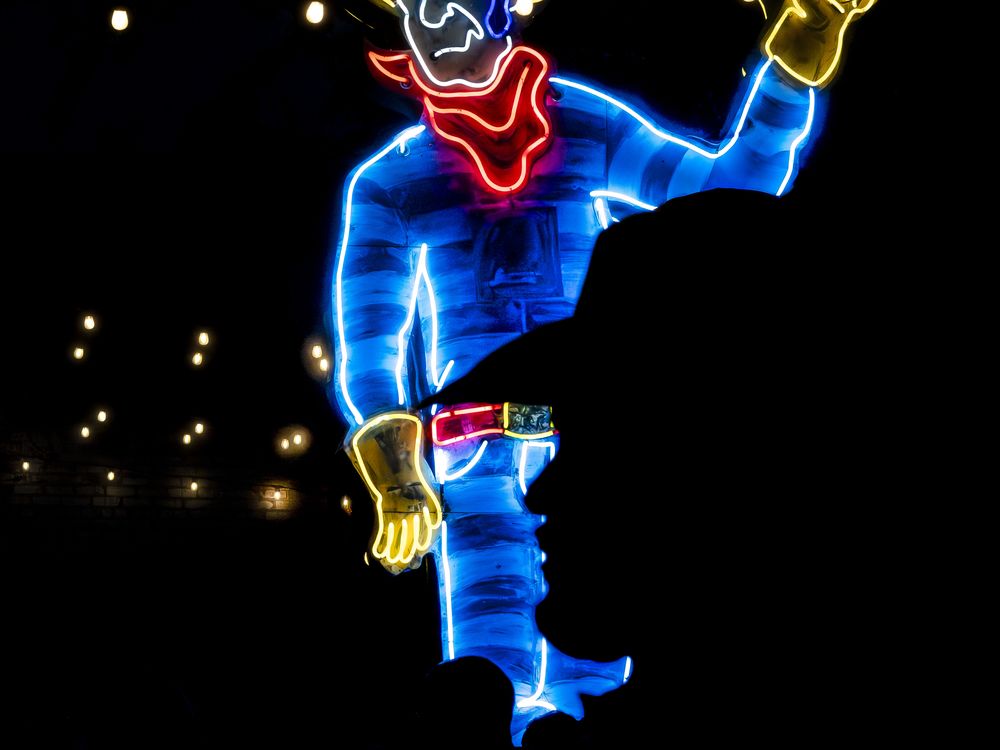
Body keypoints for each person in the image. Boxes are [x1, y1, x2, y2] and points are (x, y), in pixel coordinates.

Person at [328, 1, 877, 742]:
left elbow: (730, 188)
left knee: (596, 669)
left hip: (590, 439)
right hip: (485, 453)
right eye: (424, 11)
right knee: (491, 676)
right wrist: (393, 457)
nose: (443, 28)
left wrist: (794, 62)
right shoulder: (391, 181)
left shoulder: (583, 125)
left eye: (461, 6)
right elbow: (371, 331)